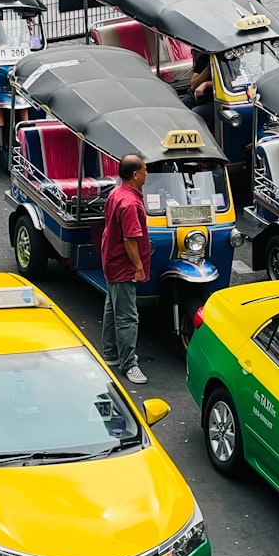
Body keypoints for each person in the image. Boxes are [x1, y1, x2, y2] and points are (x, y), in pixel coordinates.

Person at [101, 154, 152, 385]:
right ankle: (129, 364)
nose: (146, 174)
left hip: (111, 260)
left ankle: (111, 354)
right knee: (127, 317)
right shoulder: (130, 203)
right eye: (144, 170)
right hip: (123, 265)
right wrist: (139, 268)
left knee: (112, 308)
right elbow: (130, 239)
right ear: (135, 174)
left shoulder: (117, 193)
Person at [182, 51, 215, 130]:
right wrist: (207, 69)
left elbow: (229, 82)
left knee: (196, 113)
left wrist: (206, 84)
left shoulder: (231, 59)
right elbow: (193, 85)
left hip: (215, 100)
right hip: (198, 96)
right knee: (180, 105)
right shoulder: (204, 58)